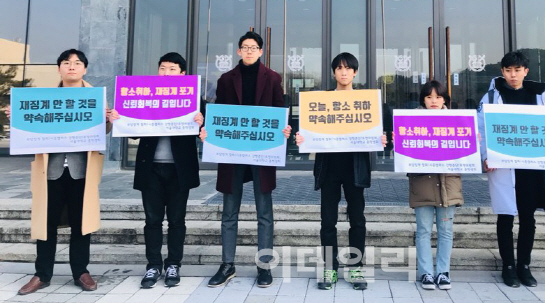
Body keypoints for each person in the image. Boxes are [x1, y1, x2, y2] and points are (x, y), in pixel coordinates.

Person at [10, 49, 108, 296]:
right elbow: (29, 126)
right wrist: (17, 117)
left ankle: (81, 272)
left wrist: (109, 119)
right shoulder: (45, 97)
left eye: (77, 63)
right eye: (67, 63)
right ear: (59, 69)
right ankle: (42, 274)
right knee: (46, 224)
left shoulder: (95, 96)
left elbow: (102, 132)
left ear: (85, 69)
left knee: (81, 224)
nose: (72, 67)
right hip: (51, 171)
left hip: (80, 172)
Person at [108, 52, 206, 289]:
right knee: (152, 220)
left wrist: (201, 121)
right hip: (150, 168)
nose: (166, 72)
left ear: (182, 73)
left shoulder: (194, 99)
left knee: (176, 220)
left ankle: (173, 264)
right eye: (163, 68)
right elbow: (133, 131)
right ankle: (153, 265)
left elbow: (205, 132)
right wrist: (119, 118)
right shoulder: (146, 95)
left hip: (179, 170)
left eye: (172, 69)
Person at [295, 52, 386, 291]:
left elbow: (380, 133)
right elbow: (308, 131)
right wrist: (302, 137)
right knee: (328, 222)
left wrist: (383, 139)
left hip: (355, 170)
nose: (344, 72)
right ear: (334, 72)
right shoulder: (321, 101)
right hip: (328, 170)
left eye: (348, 68)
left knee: (357, 221)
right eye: (339, 68)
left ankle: (355, 267)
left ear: (355, 73)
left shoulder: (367, 101)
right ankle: (329, 268)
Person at [207, 31, 290, 289]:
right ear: (239, 52)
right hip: (232, 154)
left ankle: (264, 265)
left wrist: (285, 130)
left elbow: (280, 111)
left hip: (261, 153)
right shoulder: (225, 79)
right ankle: (227, 264)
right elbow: (218, 113)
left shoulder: (273, 78)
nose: (249, 51)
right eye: (245, 47)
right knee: (229, 211)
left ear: (261, 51)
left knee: (264, 211)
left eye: (254, 47)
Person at [478, 51, 545, 288]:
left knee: (528, 217)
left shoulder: (538, 96)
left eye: (517, 70)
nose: (513, 75)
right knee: (506, 215)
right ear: (502, 72)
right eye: (508, 70)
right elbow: (482, 129)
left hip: (532, 167)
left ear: (525, 71)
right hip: (504, 165)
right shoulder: (490, 97)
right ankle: (508, 266)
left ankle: (524, 266)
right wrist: (485, 156)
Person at [409, 80, 462, 291]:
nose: (434, 101)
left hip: (448, 183)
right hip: (423, 183)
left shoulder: (457, 121)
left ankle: (443, 272)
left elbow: (463, 152)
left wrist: (471, 141)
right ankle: (425, 273)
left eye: (438, 97)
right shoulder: (412, 121)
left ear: (445, 100)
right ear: (423, 99)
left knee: (446, 230)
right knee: (423, 230)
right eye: (429, 97)